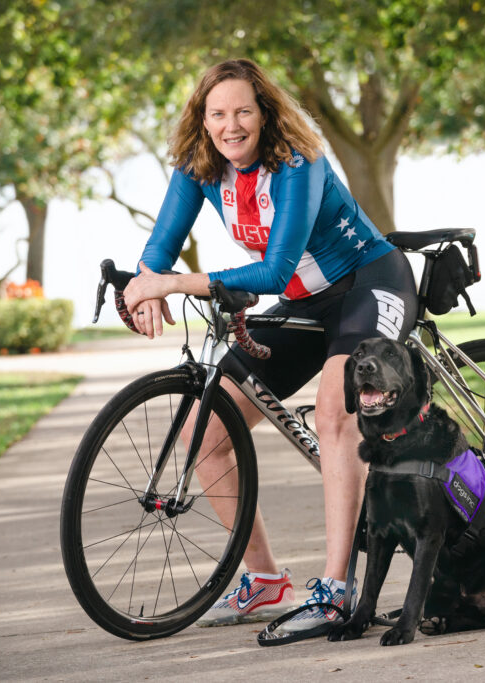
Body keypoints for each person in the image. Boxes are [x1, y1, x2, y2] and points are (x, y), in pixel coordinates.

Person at [122, 58, 417, 634]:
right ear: (201, 120)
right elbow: (161, 245)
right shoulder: (199, 166)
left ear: (265, 114)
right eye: (217, 114)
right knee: (203, 432)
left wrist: (174, 282)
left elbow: (278, 271)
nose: (230, 125)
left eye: (242, 112)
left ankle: (335, 591)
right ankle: (263, 580)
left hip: (367, 283)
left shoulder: (295, 161)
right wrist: (145, 285)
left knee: (335, 412)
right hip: (307, 304)